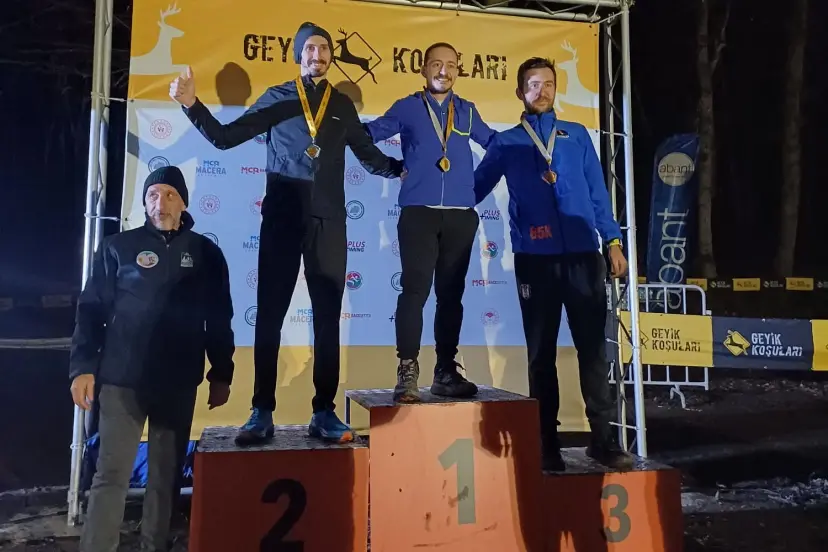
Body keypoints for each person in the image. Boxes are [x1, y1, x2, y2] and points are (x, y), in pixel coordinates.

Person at [170, 22, 404, 445]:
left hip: (328, 222)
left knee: (328, 319)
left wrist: (405, 169)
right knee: (271, 314)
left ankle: (324, 411)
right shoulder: (278, 97)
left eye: (324, 48)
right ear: (298, 55)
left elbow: (370, 157)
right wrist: (192, 105)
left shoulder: (341, 104)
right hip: (282, 217)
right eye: (310, 48)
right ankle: (261, 410)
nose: (318, 55)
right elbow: (226, 137)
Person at [473, 57, 633, 471]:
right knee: (540, 355)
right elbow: (472, 188)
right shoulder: (507, 143)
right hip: (535, 260)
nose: (541, 91)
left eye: (547, 84)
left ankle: (603, 440)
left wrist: (613, 241)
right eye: (532, 84)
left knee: (593, 351)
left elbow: (598, 192)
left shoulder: (577, 135)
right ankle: (547, 444)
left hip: (583, 257)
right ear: (519, 92)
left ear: (555, 89)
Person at [69, 166, 235, 552]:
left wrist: (221, 373)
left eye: (170, 195)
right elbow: (91, 310)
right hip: (122, 380)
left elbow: (219, 317)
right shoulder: (117, 247)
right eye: (153, 195)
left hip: (177, 382)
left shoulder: (207, 253)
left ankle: (154, 546)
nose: (161, 203)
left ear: (184, 203)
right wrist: (82, 368)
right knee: (111, 475)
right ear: (144, 204)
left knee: (165, 478)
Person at [364, 42, 495, 403]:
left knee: (451, 296)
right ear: (423, 69)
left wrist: (476, 186)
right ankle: (407, 371)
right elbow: (367, 135)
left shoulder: (467, 111)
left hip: (460, 216)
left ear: (458, 70)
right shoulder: (407, 107)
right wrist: (388, 167)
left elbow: (497, 146)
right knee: (415, 292)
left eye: (451, 65)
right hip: (419, 213)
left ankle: (445, 371)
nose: (443, 71)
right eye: (436, 64)